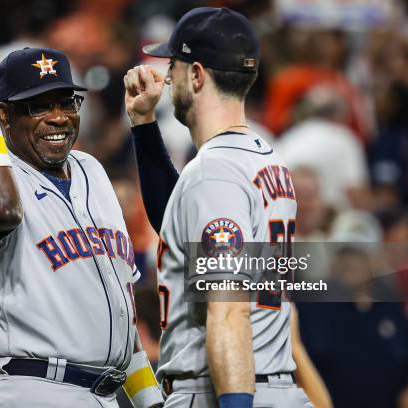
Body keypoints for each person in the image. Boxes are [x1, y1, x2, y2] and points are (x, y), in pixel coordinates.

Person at [0, 46, 162, 408]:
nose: (58, 117)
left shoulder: (91, 170)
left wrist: (150, 401)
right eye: (38, 106)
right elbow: (1, 210)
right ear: (3, 117)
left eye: (66, 102)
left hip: (103, 394)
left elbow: (120, 315)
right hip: (26, 386)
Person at [124, 7, 312, 407]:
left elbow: (228, 312)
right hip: (272, 384)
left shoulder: (214, 171)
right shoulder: (266, 158)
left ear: (196, 75)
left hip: (224, 388)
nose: (168, 75)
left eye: (173, 65)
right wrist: (143, 124)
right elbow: (179, 227)